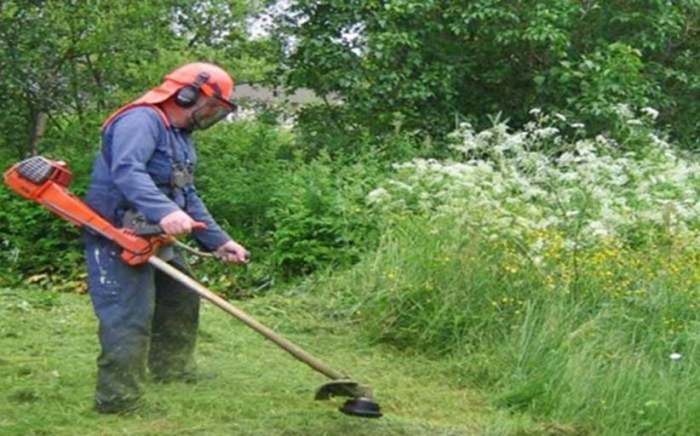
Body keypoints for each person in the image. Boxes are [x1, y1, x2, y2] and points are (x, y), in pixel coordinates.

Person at [83, 62, 249, 414]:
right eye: (212, 106)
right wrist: (165, 211)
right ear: (186, 93)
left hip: (154, 233)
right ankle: (118, 400)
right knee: (129, 316)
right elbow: (127, 170)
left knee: (181, 298)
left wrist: (219, 241)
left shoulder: (179, 137)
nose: (211, 116)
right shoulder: (140, 121)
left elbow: (187, 196)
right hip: (118, 234)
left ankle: (172, 370)